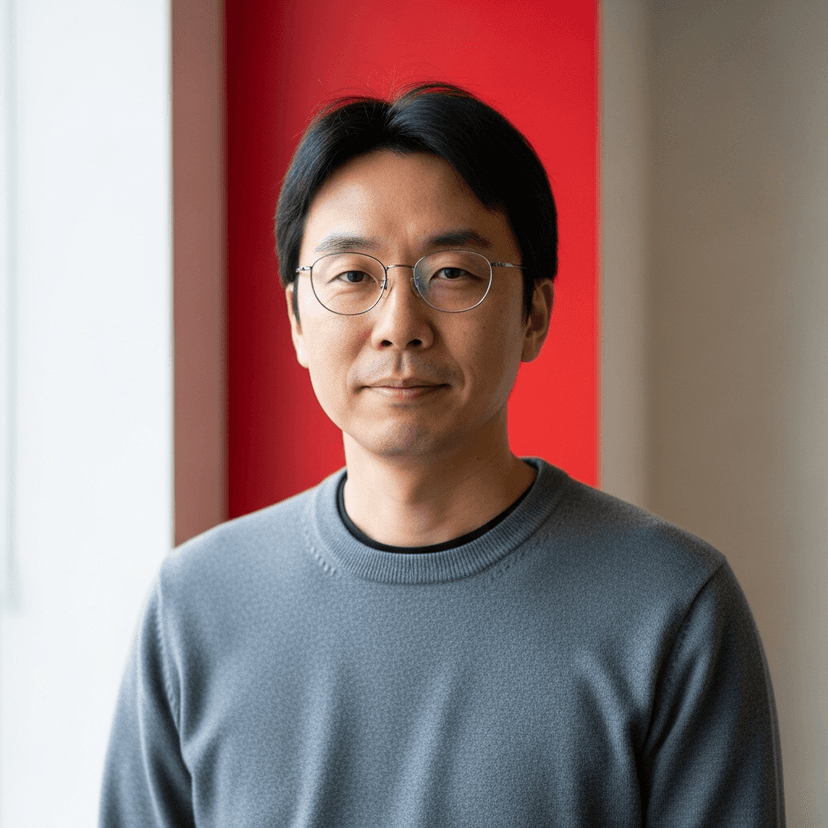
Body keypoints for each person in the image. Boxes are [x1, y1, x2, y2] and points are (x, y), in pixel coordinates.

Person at [99, 83, 785, 827]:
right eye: (353, 277)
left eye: (452, 273)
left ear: (534, 316)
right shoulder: (195, 606)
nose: (399, 325)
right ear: (297, 319)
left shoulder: (672, 608)